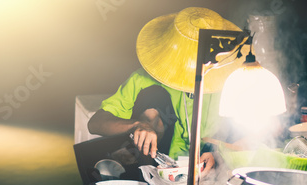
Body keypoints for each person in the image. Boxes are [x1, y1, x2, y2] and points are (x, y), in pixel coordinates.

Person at [88, 7, 249, 176]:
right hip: (152, 173)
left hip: (208, 175)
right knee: (154, 96)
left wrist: (219, 155)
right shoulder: (144, 80)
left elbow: (251, 137)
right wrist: (137, 125)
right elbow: (95, 123)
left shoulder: (227, 82)